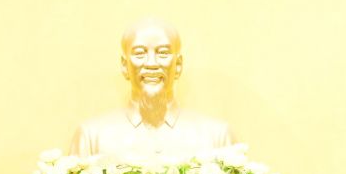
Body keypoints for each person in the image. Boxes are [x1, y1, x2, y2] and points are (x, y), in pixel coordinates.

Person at [69, 18, 234, 157]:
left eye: (163, 53)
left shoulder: (216, 137)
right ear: (125, 66)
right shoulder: (91, 137)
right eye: (139, 53)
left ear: (178, 65)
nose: (151, 63)